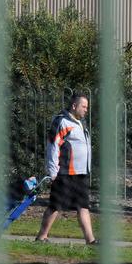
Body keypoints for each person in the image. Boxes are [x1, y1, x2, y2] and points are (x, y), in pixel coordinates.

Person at [36, 92, 98, 245]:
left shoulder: (80, 123)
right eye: (83, 106)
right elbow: (52, 146)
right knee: (55, 206)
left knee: (83, 206)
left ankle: (90, 241)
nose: (86, 110)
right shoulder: (61, 122)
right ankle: (41, 237)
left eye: (87, 107)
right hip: (64, 173)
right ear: (74, 106)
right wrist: (52, 170)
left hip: (81, 173)